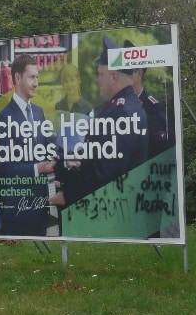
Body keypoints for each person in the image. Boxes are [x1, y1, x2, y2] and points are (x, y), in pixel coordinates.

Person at [53, 36, 149, 208]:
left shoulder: (119, 112)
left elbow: (105, 173)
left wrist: (68, 194)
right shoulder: (127, 105)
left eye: (100, 75)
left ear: (113, 77)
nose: (98, 80)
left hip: (111, 211)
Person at [0, 54, 57, 236]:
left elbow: (47, 147)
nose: (36, 83)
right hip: (18, 208)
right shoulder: (4, 117)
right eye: (32, 77)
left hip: (40, 206)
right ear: (18, 78)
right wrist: (37, 168)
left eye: (37, 77)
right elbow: (5, 168)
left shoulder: (38, 112)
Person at [123, 39, 172, 158]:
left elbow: (161, 150)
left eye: (126, 71)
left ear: (139, 73)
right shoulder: (117, 104)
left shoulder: (153, 109)